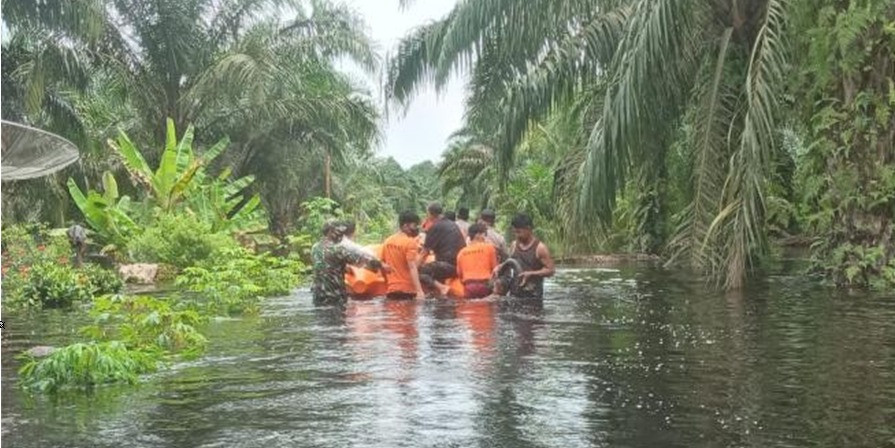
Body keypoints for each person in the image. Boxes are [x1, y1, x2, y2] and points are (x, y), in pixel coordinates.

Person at [311, 221, 383, 305]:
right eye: (339, 231)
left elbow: (326, 264)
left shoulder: (315, 248)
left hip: (318, 295)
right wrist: (381, 266)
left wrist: (344, 268)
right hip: (334, 296)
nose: (341, 234)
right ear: (330, 232)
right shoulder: (338, 249)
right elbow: (361, 261)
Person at [418, 202, 466, 294]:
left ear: (429, 214)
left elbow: (424, 253)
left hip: (448, 266)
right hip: (460, 266)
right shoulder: (452, 224)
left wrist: (413, 268)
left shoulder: (435, 227)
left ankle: (441, 288)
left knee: (420, 271)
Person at [505, 213, 555, 299]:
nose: (516, 235)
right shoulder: (514, 245)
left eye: (519, 232)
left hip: (533, 295)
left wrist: (531, 274)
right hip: (515, 294)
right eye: (515, 232)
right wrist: (499, 267)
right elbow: (510, 264)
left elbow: (551, 270)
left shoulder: (540, 248)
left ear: (528, 229)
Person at [381, 211, 426, 300]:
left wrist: (387, 284)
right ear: (405, 226)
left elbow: (383, 265)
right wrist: (419, 291)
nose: (416, 228)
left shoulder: (387, 241)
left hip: (392, 290)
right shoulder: (410, 243)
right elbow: (413, 267)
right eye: (414, 225)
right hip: (407, 290)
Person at [456, 223, 499, 298]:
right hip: (485, 287)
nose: (485, 237)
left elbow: (459, 274)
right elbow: (495, 270)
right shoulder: (489, 247)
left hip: (469, 287)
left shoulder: (461, 252)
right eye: (484, 234)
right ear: (477, 235)